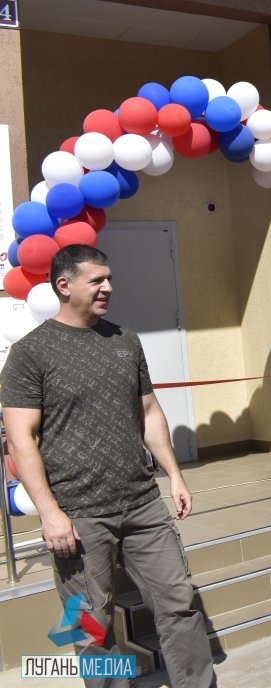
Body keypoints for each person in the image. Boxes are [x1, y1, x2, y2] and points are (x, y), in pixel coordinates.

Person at [1, 245, 217, 688]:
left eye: (109, 278)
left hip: (142, 504)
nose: (108, 288)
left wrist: (174, 475)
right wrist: (50, 514)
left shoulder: (125, 341)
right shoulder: (30, 354)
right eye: (97, 280)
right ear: (64, 285)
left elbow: (150, 412)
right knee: (89, 626)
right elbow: (21, 439)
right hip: (77, 515)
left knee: (178, 604)